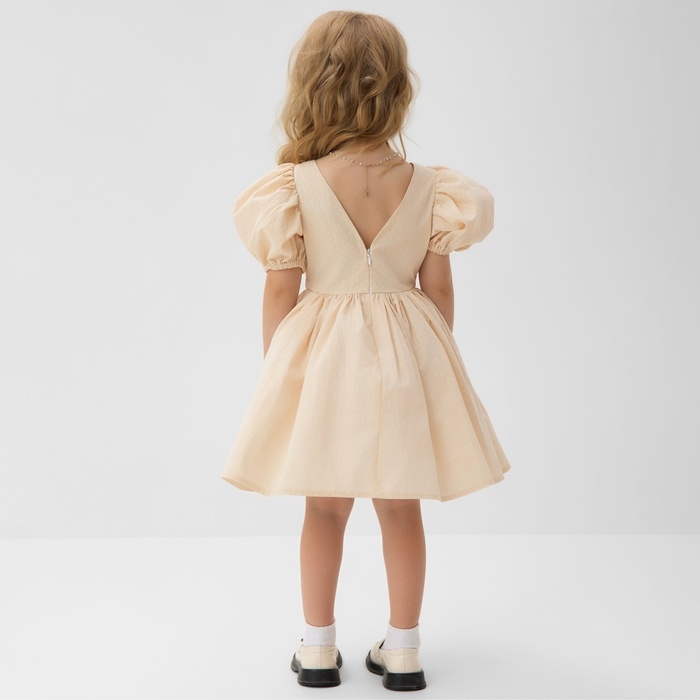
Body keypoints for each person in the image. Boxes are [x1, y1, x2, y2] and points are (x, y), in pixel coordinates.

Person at [221, 10, 511, 692]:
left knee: (324, 509)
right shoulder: (430, 187)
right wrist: (426, 362)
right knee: (400, 508)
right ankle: (404, 650)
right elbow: (438, 291)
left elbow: (280, 290)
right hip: (406, 358)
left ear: (312, 86)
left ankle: (318, 648)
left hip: (323, 361)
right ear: (397, 88)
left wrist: (279, 371)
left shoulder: (295, 186)